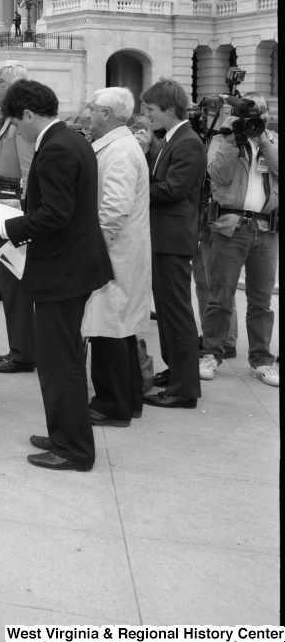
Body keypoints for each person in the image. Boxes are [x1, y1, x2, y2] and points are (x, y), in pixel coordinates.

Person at [0, 79, 113, 472]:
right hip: (71, 265)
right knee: (60, 358)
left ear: (29, 115)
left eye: (16, 123)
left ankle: (73, 449)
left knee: (59, 362)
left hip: (63, 270)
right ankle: (63, 433)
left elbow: (55, 214)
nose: (16, 130)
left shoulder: (55, 149)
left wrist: (1, 228)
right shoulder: (71, 139)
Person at [82, 87, 151, 425]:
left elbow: (114, 208)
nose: (87, 113)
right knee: (118, 329)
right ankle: (130, 400)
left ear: (106, 114)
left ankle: (112, 405)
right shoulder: (120, 145)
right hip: (119, 252)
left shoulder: (120, 150)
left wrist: (94, 249)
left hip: (114, 253)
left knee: (109, 329)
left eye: (92, 108)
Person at [199, 93, 278, 387]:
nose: (258, 117)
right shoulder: (223, 139)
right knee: (220, 297)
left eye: (262, 111)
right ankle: (211, 353)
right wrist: (233, 139)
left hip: (267, 231)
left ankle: (261, 360)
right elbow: (218, 175)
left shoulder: (272, 140)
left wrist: (264, 143)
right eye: (252, 111)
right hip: (231, 228)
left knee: (262, 300)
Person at [140, 78, 205, 409]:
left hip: (173, 239)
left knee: (176, 313)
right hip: (165, 236)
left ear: (168, 109)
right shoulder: (172, 138)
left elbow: (172, 189)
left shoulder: (188, 142)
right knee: (166, 312)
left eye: (150, 110)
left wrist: (134, 189)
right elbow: (160, 180)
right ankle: (177, 370)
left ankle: (184, 389)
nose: (147, 115)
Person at [0, 61, 36, 374]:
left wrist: (26, 214)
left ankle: (24, 353)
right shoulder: (5, 119)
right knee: (9, 285)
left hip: (12, 209)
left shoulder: (22, 121)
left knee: (16, 287)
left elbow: (29, 170)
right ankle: (21, 348)